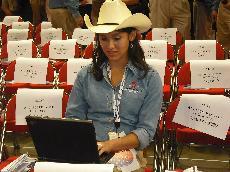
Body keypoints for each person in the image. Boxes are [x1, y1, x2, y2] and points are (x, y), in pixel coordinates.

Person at [65, 0, 162, 169]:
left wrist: (109, 145)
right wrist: (91, 146)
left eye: (117, 38)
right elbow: (74, 119)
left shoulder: (149, 78)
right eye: (104, 39)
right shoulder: (85, 75)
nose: (110, 46)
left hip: (128, 151)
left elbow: (146, 131)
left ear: (131, 36)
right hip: (90, 150)